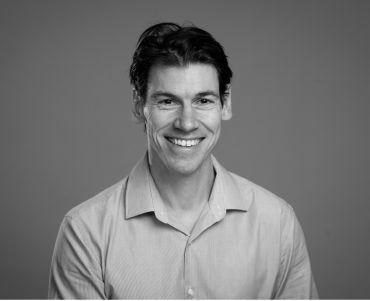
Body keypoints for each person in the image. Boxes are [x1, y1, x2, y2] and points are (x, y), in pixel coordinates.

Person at [48, 22, 318, 299]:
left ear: (225, 105)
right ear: (138, 106)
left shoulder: (278, 223)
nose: (187, 123)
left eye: (203, 101)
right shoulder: (85, 232)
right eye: (167, 101)